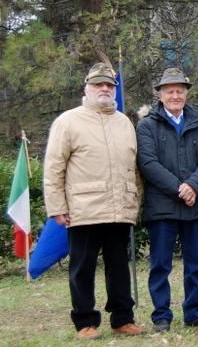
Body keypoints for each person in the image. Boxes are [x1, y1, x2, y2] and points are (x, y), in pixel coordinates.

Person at [44, 63, 143, 340]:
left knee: (119, 267)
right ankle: (85, 322)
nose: (104, 89)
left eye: (109, 85)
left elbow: (134, 169)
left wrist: (134, 202)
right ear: (86, 88)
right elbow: (54, 167)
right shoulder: (68, 121)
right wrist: (57, 207)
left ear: (115, 89)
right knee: (83, 267)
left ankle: (122, 318)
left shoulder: (124, 122)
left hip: (119, 208)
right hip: (83, 210)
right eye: (98, 84)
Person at [137, 68, 198, 331]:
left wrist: (193, 185)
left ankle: (194, 312)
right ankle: (162, 315)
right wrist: (179, 188)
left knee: (195, 263)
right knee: (160, 264)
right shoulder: (147, 125)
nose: (175, 95)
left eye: (180, 91)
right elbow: (148, 163)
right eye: (170, 91)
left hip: (195, 203)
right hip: (162, 206)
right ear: (160, 95)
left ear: (186, 93)